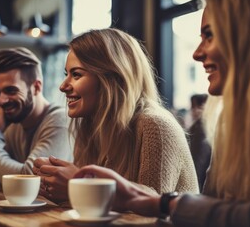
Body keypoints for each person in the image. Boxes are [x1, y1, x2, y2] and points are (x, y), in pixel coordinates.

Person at [73, 0, 250, 227]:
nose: (196, 53)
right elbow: (213, 210)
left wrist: (160, 202)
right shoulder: (232, 120)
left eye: (210, 35)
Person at [34, 28, 199, 204]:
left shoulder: (156, 125)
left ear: (113, 78)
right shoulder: (89, 127)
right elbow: (93, 207)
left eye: (76, 74)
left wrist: (78, 185)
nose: (63, 86)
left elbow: (152, 210)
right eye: (67, 74)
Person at [0, 47, 73, 184]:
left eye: (11, 90)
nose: (1, 100)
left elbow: (28, 179)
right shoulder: (15, 128)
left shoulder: (60, 120)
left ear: (36, 87)